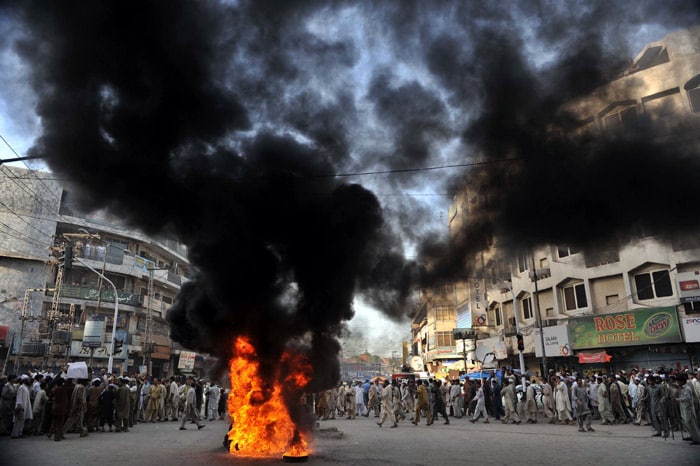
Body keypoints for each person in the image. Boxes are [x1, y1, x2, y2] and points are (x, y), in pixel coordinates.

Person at [676, 373, 700, 444]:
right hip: (683, 407)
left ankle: (697, 438)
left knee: (691, 423)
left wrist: (677, 399)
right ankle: (692, 436)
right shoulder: (682, 388)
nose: (678, 382)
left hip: (688, 408)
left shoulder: (687, 388)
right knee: (686, 423)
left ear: (682, 381)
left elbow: (687, 398)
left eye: (679, 381)